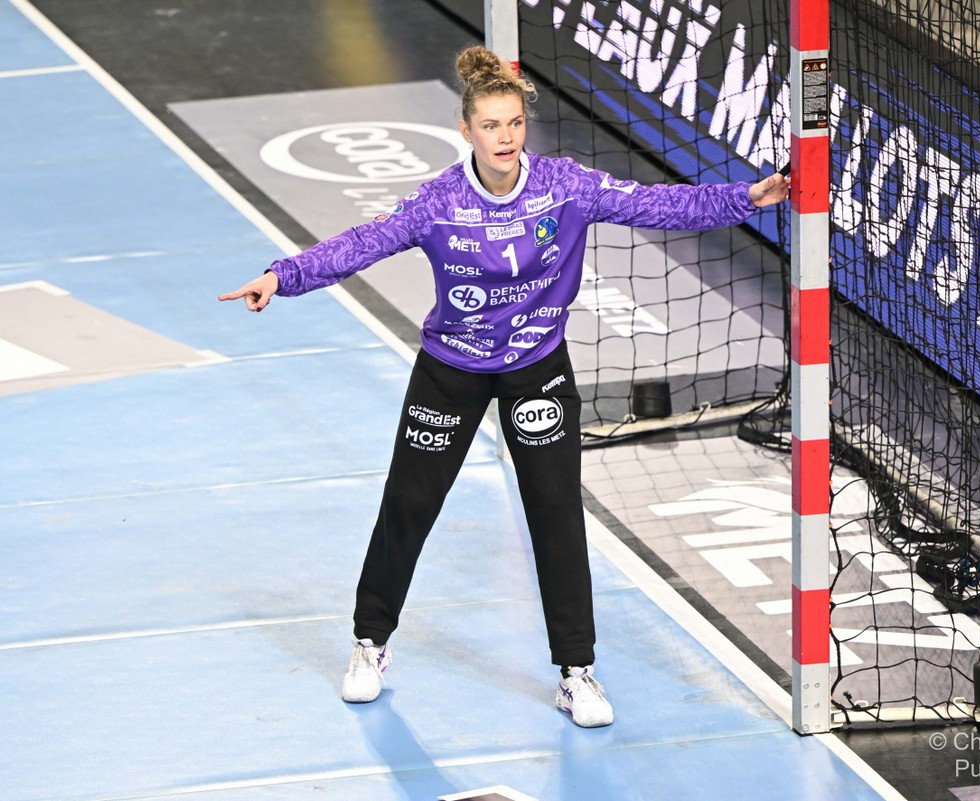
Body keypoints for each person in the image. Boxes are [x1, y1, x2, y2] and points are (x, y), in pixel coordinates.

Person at [219, 44, 790, 728]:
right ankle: (370, 644)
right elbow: (359, 244)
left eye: (514, 123)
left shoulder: (565, 186)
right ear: (466, 130)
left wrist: (744, 197)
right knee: (408, 504)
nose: (505, 137)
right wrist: (282, 277)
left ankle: (576, 673)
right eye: (491, 125)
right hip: (452, 367)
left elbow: (656, 205)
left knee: (555, 511)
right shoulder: (439, 202)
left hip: (536, 366)